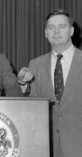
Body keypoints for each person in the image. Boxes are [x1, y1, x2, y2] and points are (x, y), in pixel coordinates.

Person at [27, 9, 82, 157]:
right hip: (46, 146)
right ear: (46, 33)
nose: (56, 31)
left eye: (62, 27)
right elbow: (33, 106)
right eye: (51, 28)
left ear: (71, 31)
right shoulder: (35, 65)